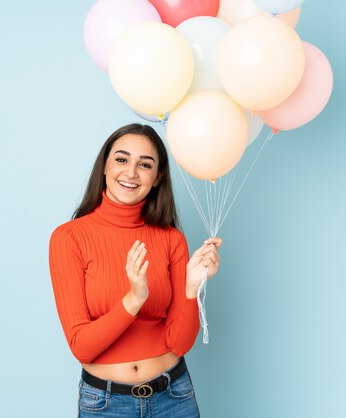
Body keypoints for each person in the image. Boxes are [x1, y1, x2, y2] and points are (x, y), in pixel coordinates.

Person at [49, 123, 222, 417]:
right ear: (104, 166)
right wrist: (134, 298)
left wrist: (191, 289)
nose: (131, 172)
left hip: (174, 396)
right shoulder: (69, 238)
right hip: (106, 404)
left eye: (145, 164)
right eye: (121, 159)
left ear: (157, 178)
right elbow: (82, 347)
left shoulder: (171, 238)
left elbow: (179, 343)